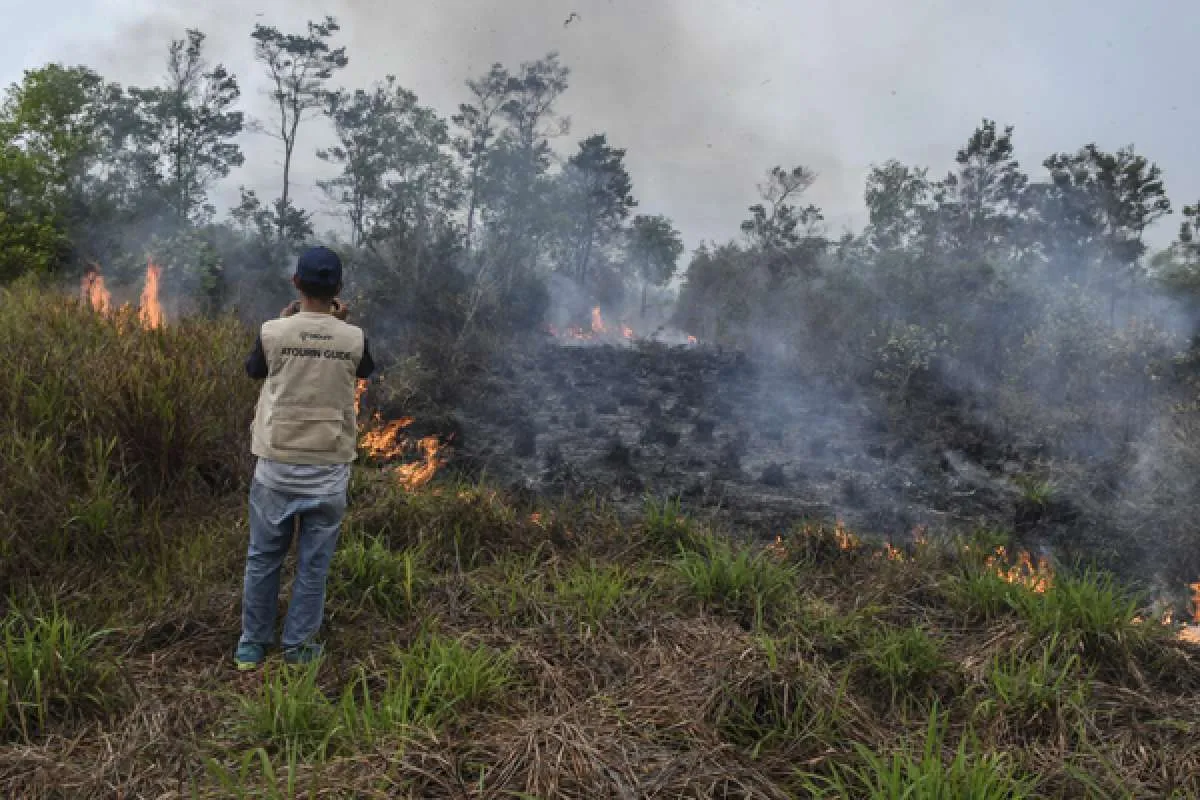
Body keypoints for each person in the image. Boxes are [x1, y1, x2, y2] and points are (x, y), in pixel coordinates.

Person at [234, 246, 375, 670]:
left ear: (296, 284)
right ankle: (298, 648)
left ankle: (252, 646)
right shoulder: (354, 337)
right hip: (327, 471)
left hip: (276, 467)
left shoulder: (272, 331)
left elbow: (253, 371)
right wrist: (338, 325)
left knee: (263, 558)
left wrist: (289, 323)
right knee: (314, 566)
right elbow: (363, 370)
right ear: (338, 290)